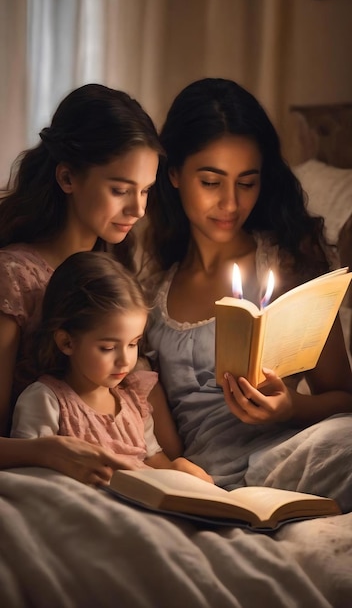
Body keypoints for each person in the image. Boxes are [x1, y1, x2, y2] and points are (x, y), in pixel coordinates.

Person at [141, 77, 352, 511]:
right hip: (206, 478)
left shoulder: (289, 263)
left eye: (247, 182)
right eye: (212, 182)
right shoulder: (149, 288)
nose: (231, 204)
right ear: (175, 174)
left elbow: (344, 398)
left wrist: (290, 407)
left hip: (293, 453)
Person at [0, 82, 162, 482]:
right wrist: (47, 450)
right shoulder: (14, 279)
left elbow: (153, 438)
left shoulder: (115, 277)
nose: (138, 209)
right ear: (68, 177)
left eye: (145, 191)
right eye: (120, 190)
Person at [11, 252, 212, 483]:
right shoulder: (46, 400)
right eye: (107, 348)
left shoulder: (134, 403)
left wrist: (181, 472)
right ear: (67, 342)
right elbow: (29, 476)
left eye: (133, 344)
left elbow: (155, 463)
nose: (125, 360)